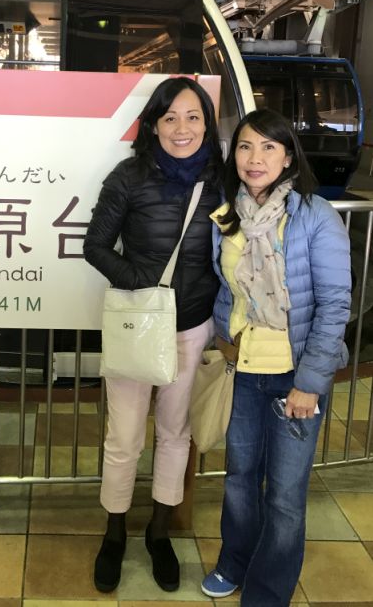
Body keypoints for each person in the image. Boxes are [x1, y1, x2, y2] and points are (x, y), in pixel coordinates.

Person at [201, 108, 352, 607]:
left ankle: (267, 592)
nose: (255, 157)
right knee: (240, 478)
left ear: (288, 157)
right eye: (246, 146)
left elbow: (335, 304)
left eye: (269, 147)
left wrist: (309, 383)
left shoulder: (315, 216)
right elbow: (227, 288)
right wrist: (224, 336)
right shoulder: (228, 215)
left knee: (284, 494)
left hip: (295, 376)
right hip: (244, 372)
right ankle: (234, 563)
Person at [84, 76, 224, 593]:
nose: (182, 128)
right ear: (154, 125)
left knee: (175, 433)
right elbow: (96, 246)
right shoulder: (128, 177)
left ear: (207, 124)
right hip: (138, 326)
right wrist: (141, 285)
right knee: (124, 437)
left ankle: (159, 532)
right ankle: (114, 532)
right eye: (170, 118)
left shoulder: (221, 181)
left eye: (193, 117)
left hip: (193, 326)